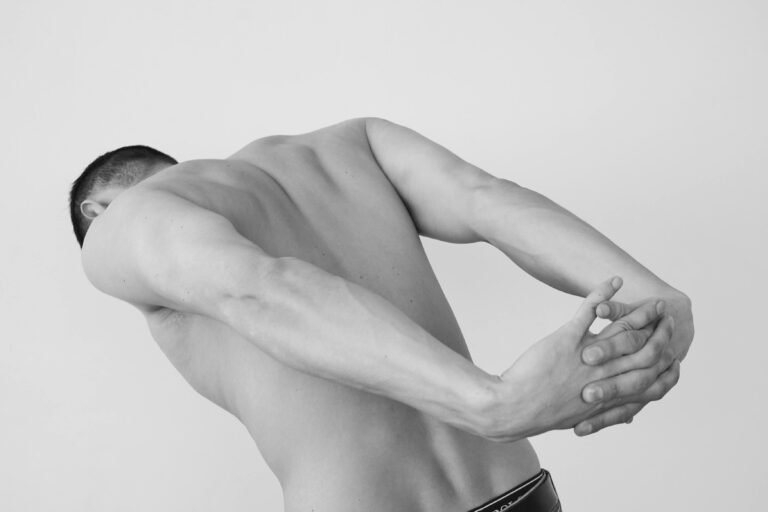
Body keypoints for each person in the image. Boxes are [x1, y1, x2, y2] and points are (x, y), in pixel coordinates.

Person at [69, 117, 694, 512]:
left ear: (97, 211)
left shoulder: (124, 222)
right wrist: (654, 297)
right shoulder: (352, 143)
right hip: (518, 497)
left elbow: (259, 288)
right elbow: (486, 200)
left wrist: (491, 402)